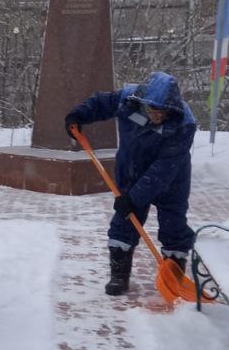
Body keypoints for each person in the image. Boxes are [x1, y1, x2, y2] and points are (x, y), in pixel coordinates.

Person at [65, 71, 196, 296]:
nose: (158, 116)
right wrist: (78, 115)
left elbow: (163, 169)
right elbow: (101, 103)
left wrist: (133, 198)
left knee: (174, 225)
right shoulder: (127, 99)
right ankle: (119, 275)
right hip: (132, 171)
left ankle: (174, 275)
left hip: (171, 179)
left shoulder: (183, 123)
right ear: (143, 102)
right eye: (153, 110)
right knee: (125, 222)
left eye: (163, 112)